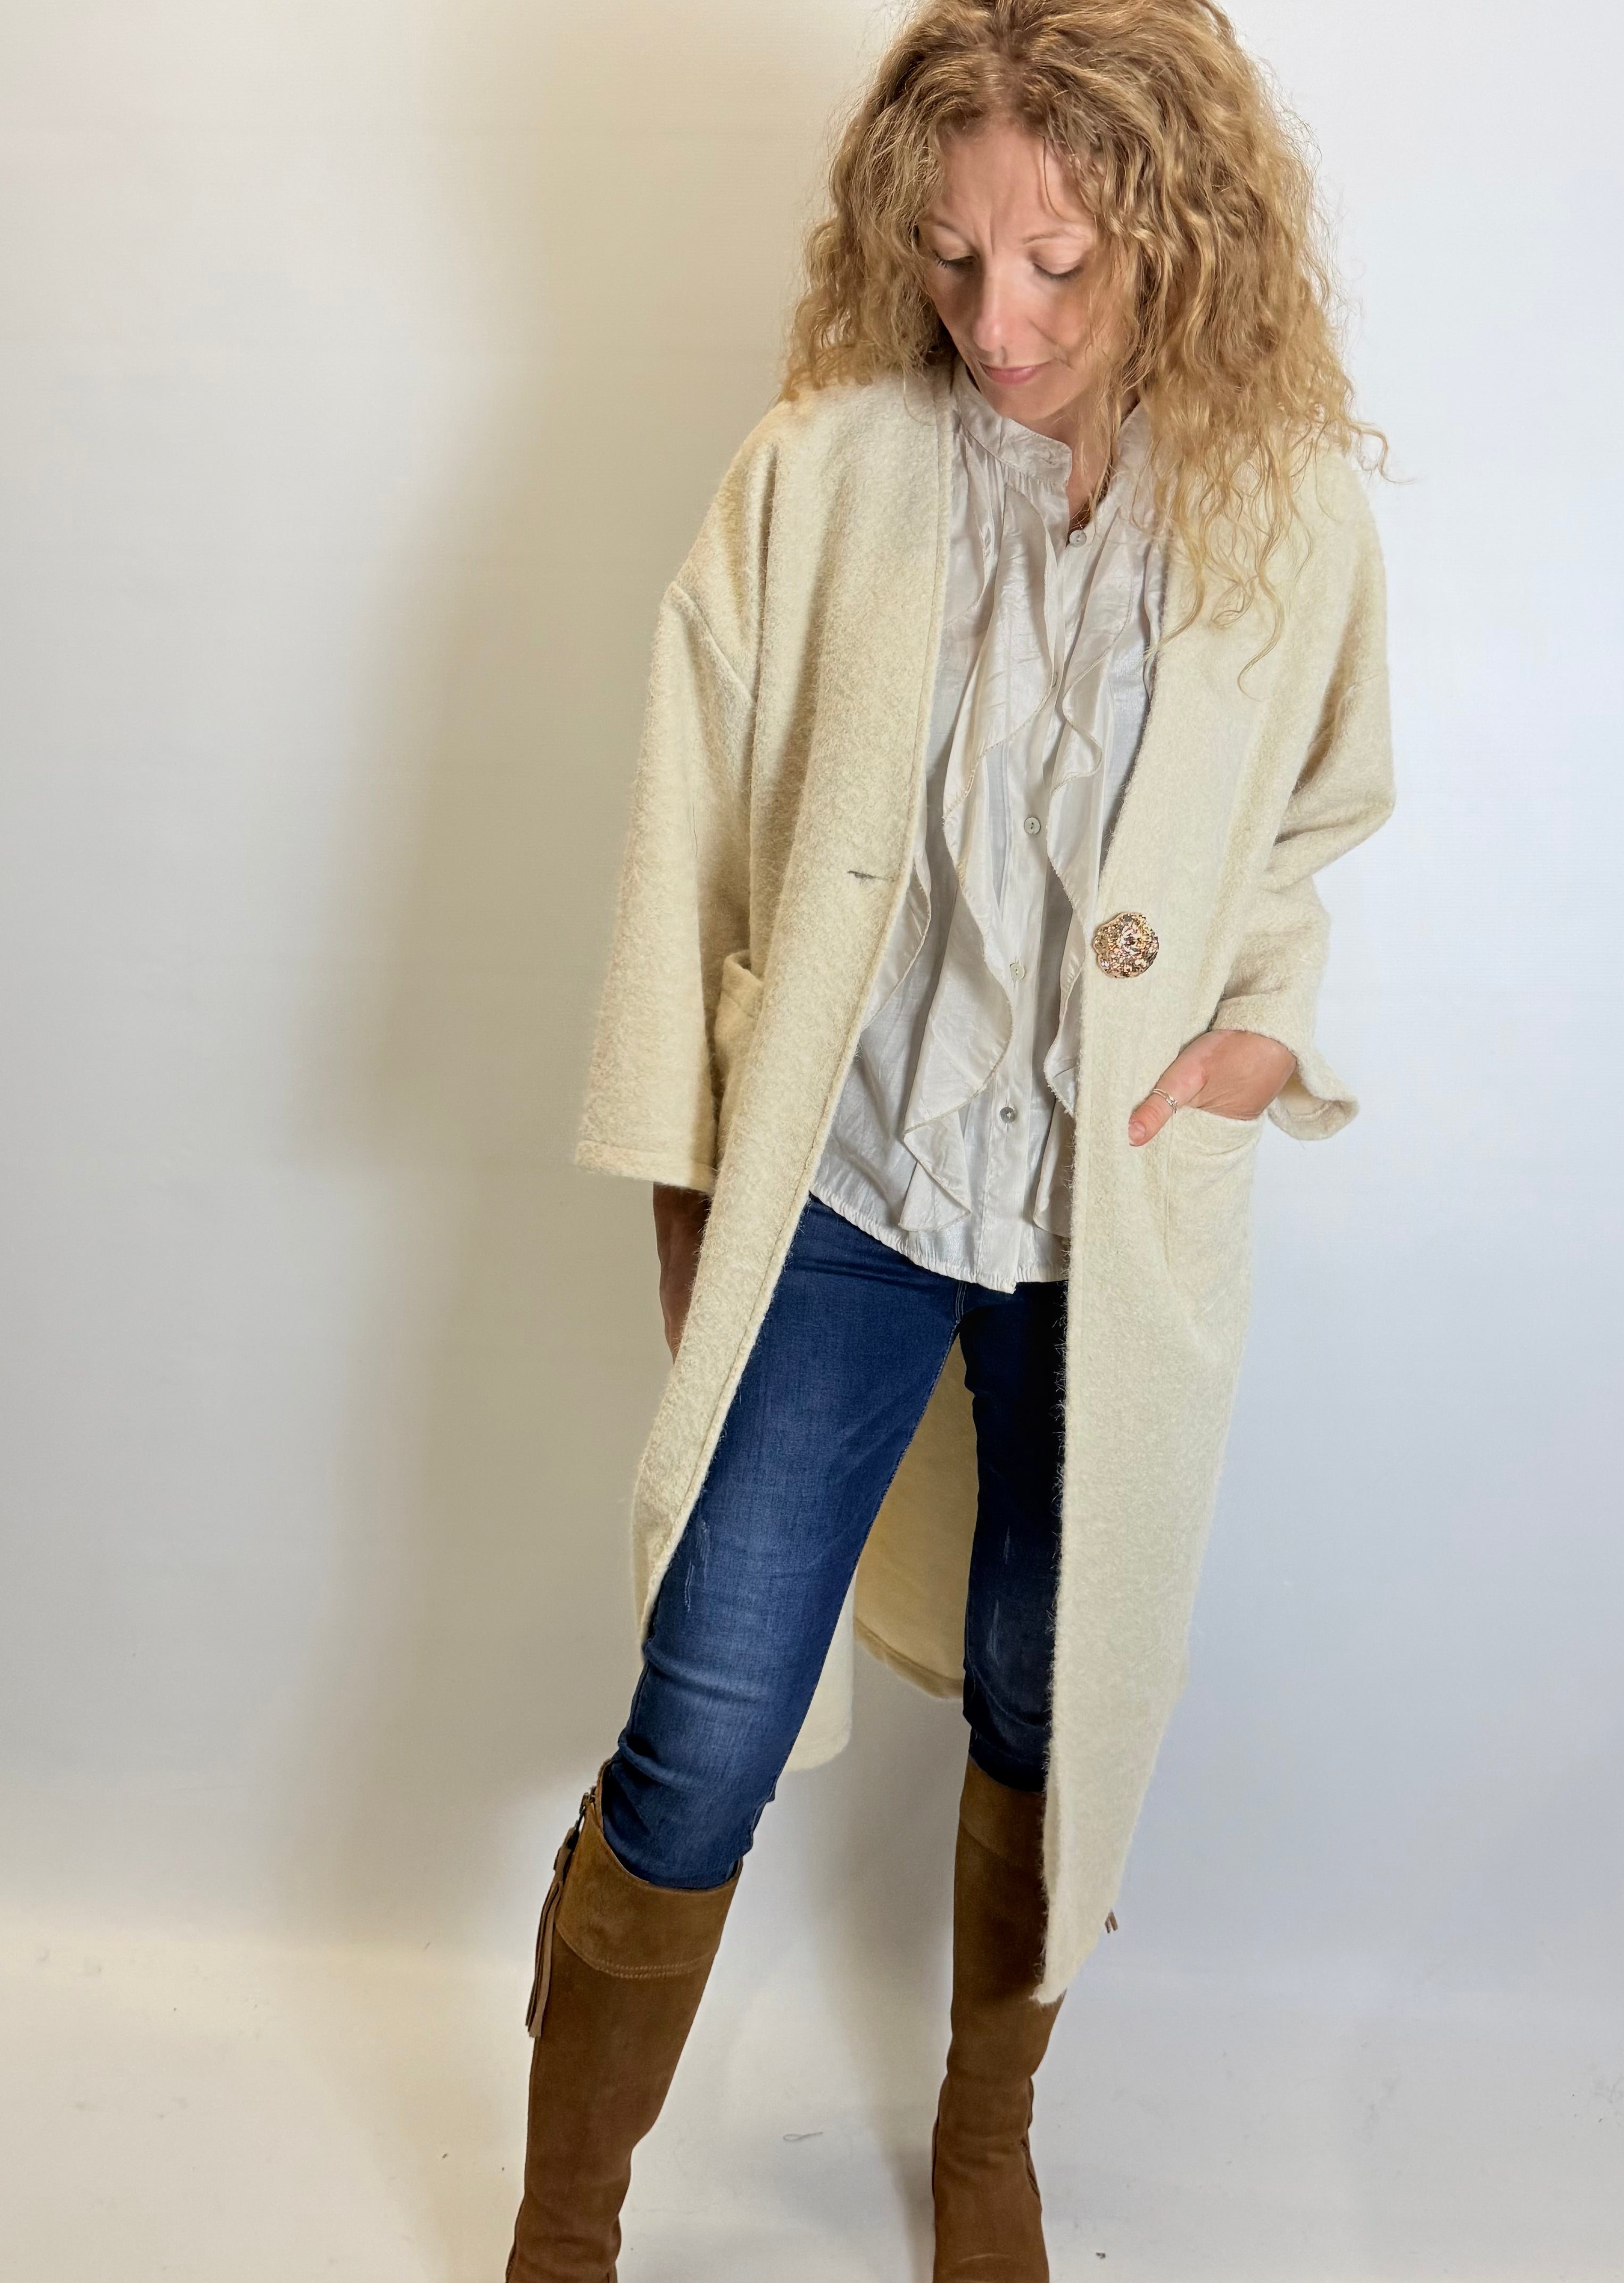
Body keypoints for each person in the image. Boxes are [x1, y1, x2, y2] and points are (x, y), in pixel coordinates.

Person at [504, 2, 1394, 2276]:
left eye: (1062, 262)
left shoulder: (1284, 513)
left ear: (1178, 236)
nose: (1000, 320)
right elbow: (689, 850)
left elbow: (1304, 830)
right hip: (849, 1197)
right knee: (709, 1707)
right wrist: (695, 1199)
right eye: (953, 254)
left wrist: (1250, 1041)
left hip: (1111, 1222)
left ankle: (985, 2135)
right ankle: (566, 2214)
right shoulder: (822, 471)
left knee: (1049, 1688)